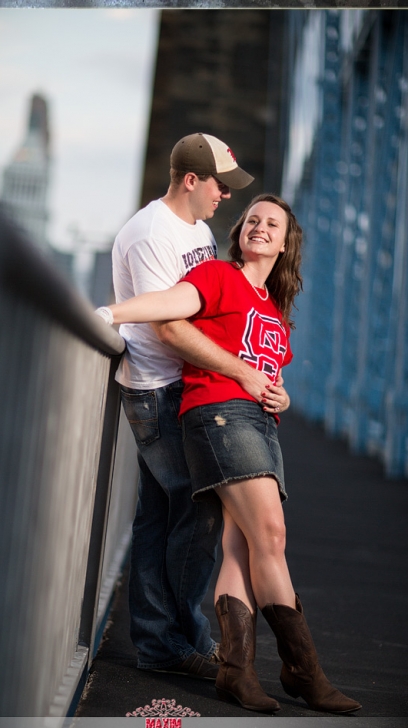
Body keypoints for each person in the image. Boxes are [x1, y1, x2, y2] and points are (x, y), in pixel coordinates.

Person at [97, 194, 361, 714]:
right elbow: (171, 304)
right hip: (219, 415)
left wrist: (280, 395)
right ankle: (303, 671)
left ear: (286, 245)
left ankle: (236, 673)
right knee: (272, 535)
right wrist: (110, 311)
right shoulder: (219, 276)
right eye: (254, 220)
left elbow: (269, 371)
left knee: (242, 546)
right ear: (241, 232)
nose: (260, 228)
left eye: (273, 224)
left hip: (261, 424)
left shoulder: (273, 311)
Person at [111, 133, 287, 681]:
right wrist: (241, 370)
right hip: (158, 388)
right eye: (220, 185)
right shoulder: (148, 235)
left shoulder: (200, 231)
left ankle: (168, 640)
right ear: (191, 180)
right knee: (197, 512)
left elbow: (212, 312)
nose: (226, 197)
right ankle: (174, 641)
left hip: (185, 389)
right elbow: (169, 326)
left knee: (163, 517)